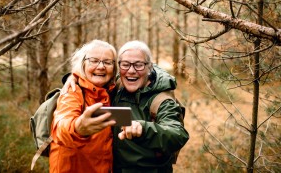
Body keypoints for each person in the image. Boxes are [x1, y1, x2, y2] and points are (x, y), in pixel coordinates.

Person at [64, 40, 189, 173]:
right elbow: (94, 74)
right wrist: (73, 77)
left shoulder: (162, 100)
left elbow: (178, 134)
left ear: (150, 67)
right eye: (125, 65)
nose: (131, 71)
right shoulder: (118, 85)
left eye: (138, 65)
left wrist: (144, 129)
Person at [49, 39, 118, 173]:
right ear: (83, 64)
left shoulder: (112, 91)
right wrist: (77, 128)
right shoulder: (72, 91)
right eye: (94, 60)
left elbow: (144, 68)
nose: (101, 66)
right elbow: (60, 126)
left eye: (107, 62)